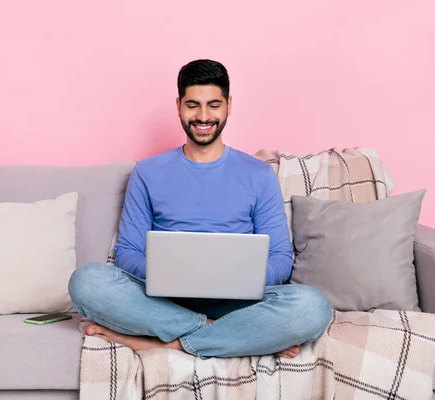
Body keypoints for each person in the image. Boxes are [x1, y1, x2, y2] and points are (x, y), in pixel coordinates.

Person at [68, 59, 332, 359]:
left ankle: (167, 343)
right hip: (162, 301)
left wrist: (243, 278)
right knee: (86, 281)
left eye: (214, 105)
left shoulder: (258, 174)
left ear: (229, 105)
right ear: (179, 105)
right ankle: (223, 332)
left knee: (312, 306)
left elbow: (281, 257)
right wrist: (164, 274)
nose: (203, 116)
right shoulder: (147, 172)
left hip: (239, 302)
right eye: (192, 105)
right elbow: (128, 251)